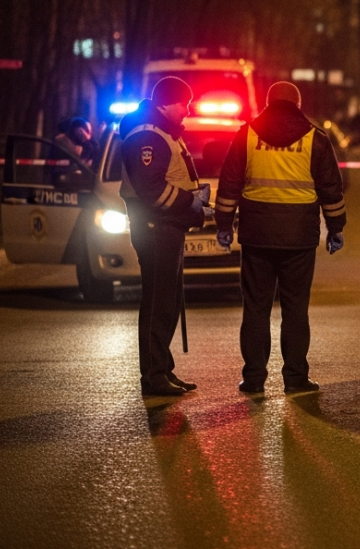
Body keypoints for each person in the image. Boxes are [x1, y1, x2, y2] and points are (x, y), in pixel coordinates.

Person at [214, 81, 347, 395]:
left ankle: (254, 379)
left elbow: (229, 182)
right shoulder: (316, 139)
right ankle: (296, 378)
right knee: (296, 309)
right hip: (299, 238)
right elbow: (330, 188)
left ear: (267, 103)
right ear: (297, 105)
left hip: (257, 235)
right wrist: (336, 227)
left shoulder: (246, 135)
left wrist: (223, 224)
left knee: (256, 308)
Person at [119, 77, 209, 397]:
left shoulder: (161, 132)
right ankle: (154, 375)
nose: (187, 110)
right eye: (184, 104)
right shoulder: (148, 134)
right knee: (158, 304)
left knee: (166, 303)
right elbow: (152, 189)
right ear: (167, 103)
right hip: (156, 228)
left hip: (166, 227)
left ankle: (163, 369)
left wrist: (194, 205)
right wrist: (190, 202)